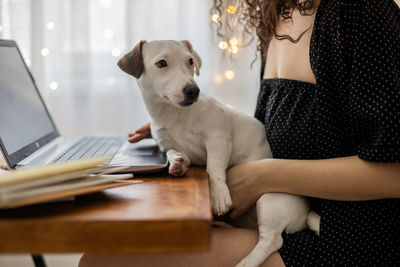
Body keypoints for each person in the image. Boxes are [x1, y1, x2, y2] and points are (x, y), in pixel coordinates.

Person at [79, 0, 400, 266]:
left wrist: (264, 176)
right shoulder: (278, 18)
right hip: (282, 215)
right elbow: (281, 135)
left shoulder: (360, 11)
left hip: (345, 239)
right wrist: (183, 128)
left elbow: (394, 174)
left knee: (102, 260)